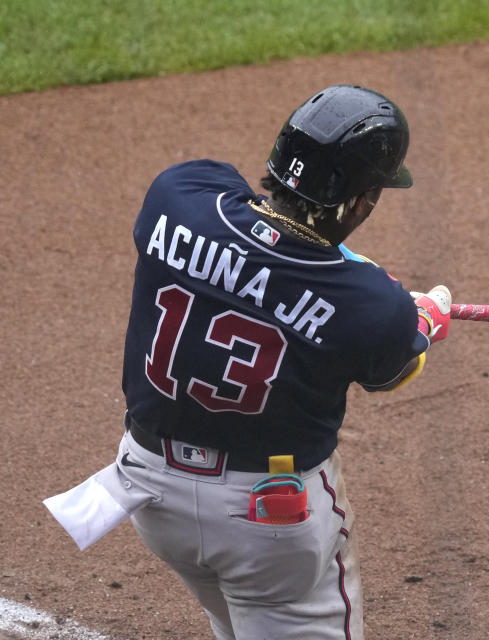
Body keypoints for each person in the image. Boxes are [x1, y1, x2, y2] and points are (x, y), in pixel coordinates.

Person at [115, 84, 451, 639]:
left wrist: (356, 276)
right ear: (365, 200)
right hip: (264, 527)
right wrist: (425, 320)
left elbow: (259, 237)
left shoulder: (178, 194)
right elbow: (393, 368)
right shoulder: (369, 304)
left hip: (151, 494)